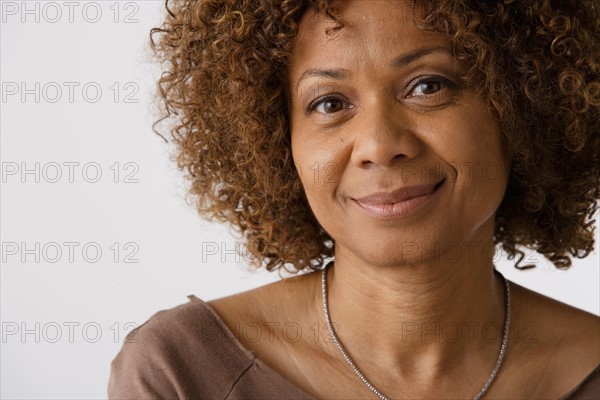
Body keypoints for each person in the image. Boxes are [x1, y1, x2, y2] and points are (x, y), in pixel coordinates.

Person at [108, 0, 600, 398]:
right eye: (329, 103)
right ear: (278, 143)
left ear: (522, 107)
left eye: (427, 86)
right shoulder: (183, 371)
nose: (380, 145)